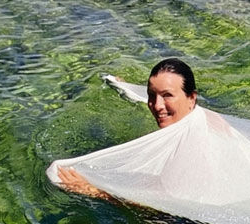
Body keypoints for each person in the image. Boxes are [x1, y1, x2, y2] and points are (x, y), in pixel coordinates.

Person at [56, 58, 198, 198]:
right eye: (151, 95)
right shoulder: (192, 121)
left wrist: (95, 192)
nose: (156, 105)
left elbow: (164, 205)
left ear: (191, 98)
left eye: (167, 95)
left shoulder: (191, 152)